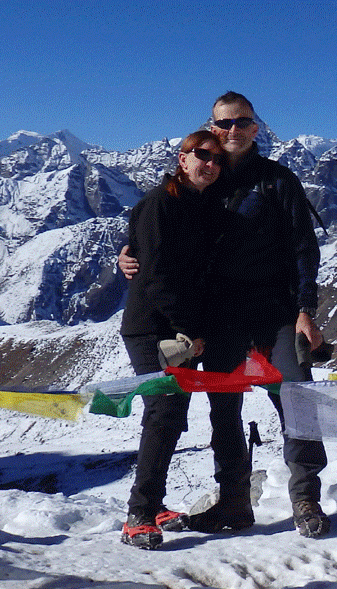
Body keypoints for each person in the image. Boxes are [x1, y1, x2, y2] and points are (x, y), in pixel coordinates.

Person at [119, 91, 331, 541]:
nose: (233, 130)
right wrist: (128, 253)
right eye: (224, 123)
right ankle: (234, 502)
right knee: (223, 407)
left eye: (243, 122)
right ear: (211, 129)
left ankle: (306, 499)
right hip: (219, 317)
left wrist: (305, 312)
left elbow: (303, 250)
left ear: (256, 128)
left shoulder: (276, 181)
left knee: (296, 398)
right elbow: (158, 230)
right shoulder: (199, 184)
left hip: (274, 313)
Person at [118, 129, 230, 549]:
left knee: (170, 416)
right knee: (164, 414)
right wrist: (190, 329)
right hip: (155, 329)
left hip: (180, 331)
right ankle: (139, 515)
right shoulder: (160, 204)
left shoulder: (198, 206)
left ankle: (153, 504)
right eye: (202, 155)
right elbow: (155, 276)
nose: (211, 164)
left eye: (218, 160)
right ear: (182, 159)